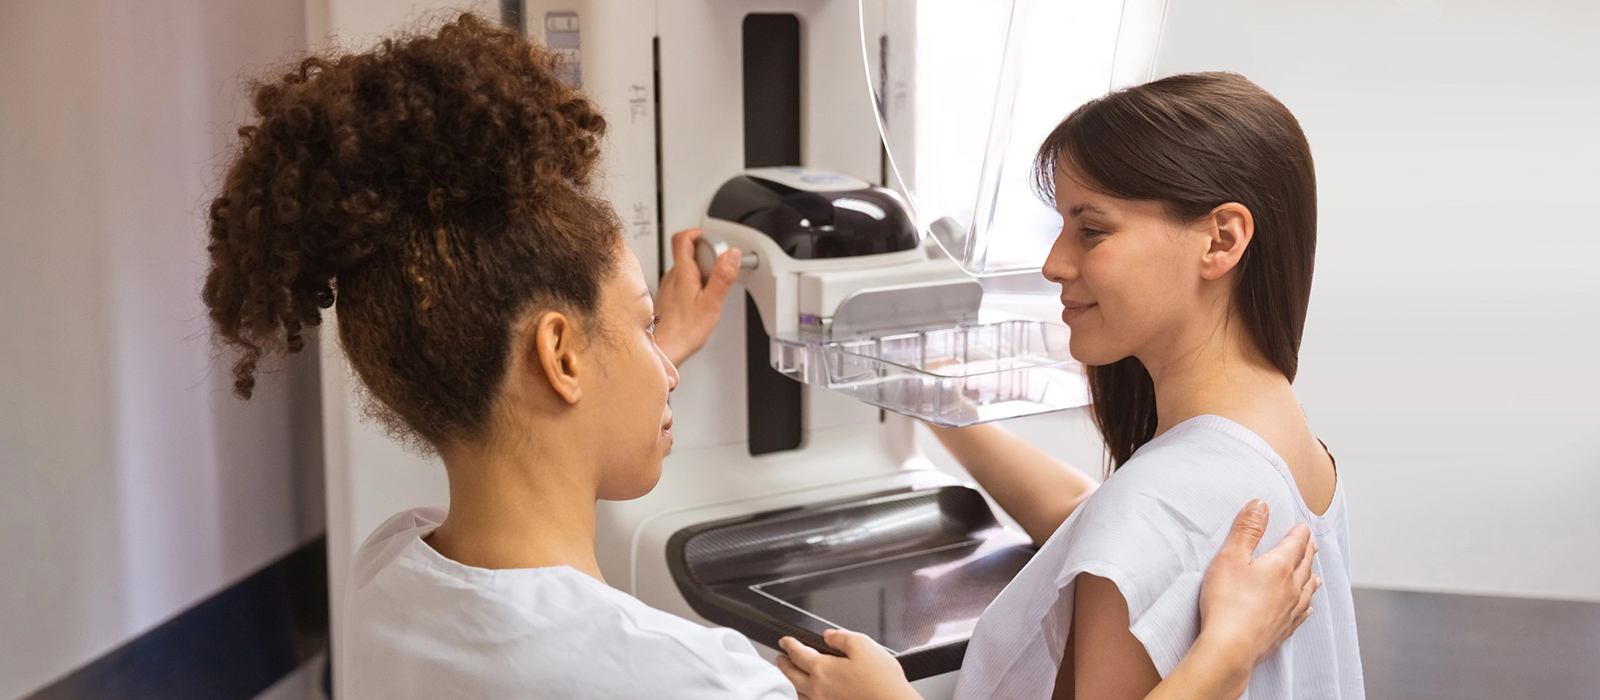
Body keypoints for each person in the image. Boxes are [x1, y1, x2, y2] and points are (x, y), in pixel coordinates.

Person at [202, 16, 1321, 700]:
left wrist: (646, 353)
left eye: (1090, 225)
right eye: (643, 323)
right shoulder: (709, 684)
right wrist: (1220, 657)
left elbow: (1099, 523)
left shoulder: (390, 577)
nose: (1057, 257)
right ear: (558, 357)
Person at [778, 72, 1363, 700]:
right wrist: (947, 412)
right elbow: (1101, 530)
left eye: (1092, 230)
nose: (1055, 263)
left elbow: (1135, 526)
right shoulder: (1288, 449)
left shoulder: (1156, 502)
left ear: (1221, 239)